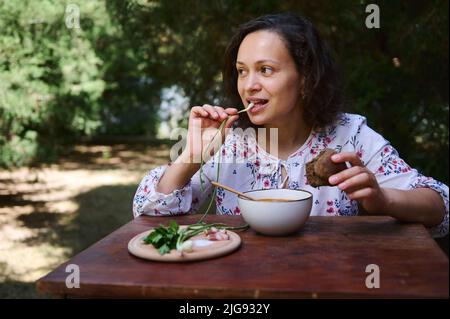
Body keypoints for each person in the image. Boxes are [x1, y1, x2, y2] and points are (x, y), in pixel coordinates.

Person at [133, 13, 448, 238]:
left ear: (306, 77)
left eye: (266, 70)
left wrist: (384, 199)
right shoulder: (228, 141)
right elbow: (146, 214)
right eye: (242, 71)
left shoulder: (350, 135)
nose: (249, 85)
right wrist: (191, 157)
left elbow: (441, 206)